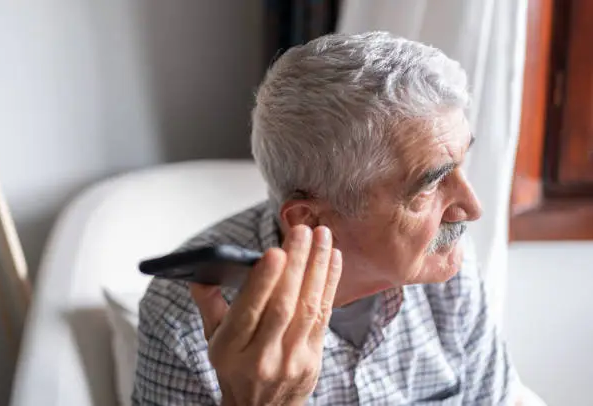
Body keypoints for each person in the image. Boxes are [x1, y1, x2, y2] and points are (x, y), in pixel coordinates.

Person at [133, 31, 525, 405]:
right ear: (308, 221)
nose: (471, 208)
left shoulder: (446, 258)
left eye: (461, 164)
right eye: (430, 184)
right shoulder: (181, 323)